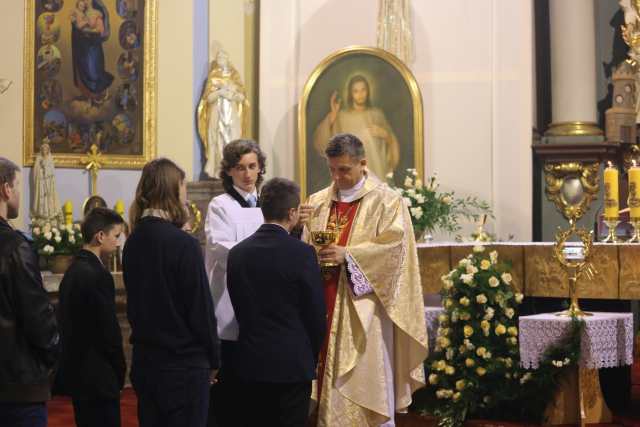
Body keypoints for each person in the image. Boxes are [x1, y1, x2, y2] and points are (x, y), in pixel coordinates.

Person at [304, 134, 427, 426]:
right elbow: (305, 247)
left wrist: (349, 254)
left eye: (344, 169)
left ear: (363, 163)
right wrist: (299, 227)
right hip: (324, 300)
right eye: (332, 169)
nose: (337, 177)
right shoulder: (318, 201)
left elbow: (396, 252)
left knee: (363, 379)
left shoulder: (387, 202)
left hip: (364, 311)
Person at [123, 158, 220, 427]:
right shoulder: (183, 243)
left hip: (147, 363)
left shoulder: (133, 242)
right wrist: (214, 357)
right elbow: (199, 308)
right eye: (183, 187)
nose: (186, 194)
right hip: (184, 367)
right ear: (173, 190)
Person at [227, 177, 326, 427]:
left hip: (250, 363)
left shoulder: (237, 253)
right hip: (292, 364)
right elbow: (315, 315)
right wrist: (309, 355)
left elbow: (238, 307)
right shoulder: (303, 254)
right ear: (293, 213)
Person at [204, 140, 265, 426]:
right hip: (228, 303)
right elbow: (219, 246)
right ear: (229, 171)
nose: (247, 174)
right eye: (240, 168)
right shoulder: (221, 205)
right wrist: (263, 257)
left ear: (260, 167)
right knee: (229, 390)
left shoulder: (269, 203)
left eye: (252, 166)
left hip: (263, 305)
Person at [0, 157, 59, 427]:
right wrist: (52, 358)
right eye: (18, 186)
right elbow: (38, 318)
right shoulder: (14, 246)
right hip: (16, 385)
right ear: (6, 189)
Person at [57, 207, 126, 427]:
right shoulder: (97, 274)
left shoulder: (73, 270)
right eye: (116, 236)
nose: (117, 243)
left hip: (79, 374)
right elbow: (108, 332)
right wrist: (119, 369)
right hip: (100, 377)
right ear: (100, 236)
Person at [312, 74, 400, 180]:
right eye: (356, 91)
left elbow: (391, 146)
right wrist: (333, 115)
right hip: (352, 175)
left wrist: (386, 135)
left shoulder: (377, 114)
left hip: (377, 172)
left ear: (368, 91)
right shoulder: (343, 117)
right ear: (351, 93)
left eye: (363, 90)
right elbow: (322, 142)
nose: (360, 94)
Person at [197, 50, 249, 179]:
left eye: (223, 56)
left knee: (233, 140)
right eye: (218, 57)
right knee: (217, 140)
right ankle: (218, 170)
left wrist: (233, 94)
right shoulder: (213, 76)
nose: (220, 58)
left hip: (232, 117)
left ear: (227, 58)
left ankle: (233, 168)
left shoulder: (234, 76)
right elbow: (208, 98)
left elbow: (242, 97)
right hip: (217, 115)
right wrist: (220, 92)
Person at [71, 0, 114, 103]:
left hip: (93, 46)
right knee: (83, 68)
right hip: (83, 47)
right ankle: (88, 96)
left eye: (86, 1)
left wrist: (87, 31)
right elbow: (77, 27)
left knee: (93, 70)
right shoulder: (81, 13)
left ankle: (97, 96)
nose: (84, 2)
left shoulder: (97, 13)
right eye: (82, 2)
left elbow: (101, 30)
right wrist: (77, 27)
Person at [32, 142, 63, 227]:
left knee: (50, 200)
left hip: (49, 183)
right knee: (43, 200)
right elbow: (35, 173)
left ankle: (50, 215)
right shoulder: (39, 159)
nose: (45, 151)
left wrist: (46, 169)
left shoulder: (50, 159)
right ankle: (43, 215)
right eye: (43, 149)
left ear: (48, 150)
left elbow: (52, 172)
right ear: (41, 150)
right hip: (41, 184)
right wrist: (41, 170)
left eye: (46, 149)